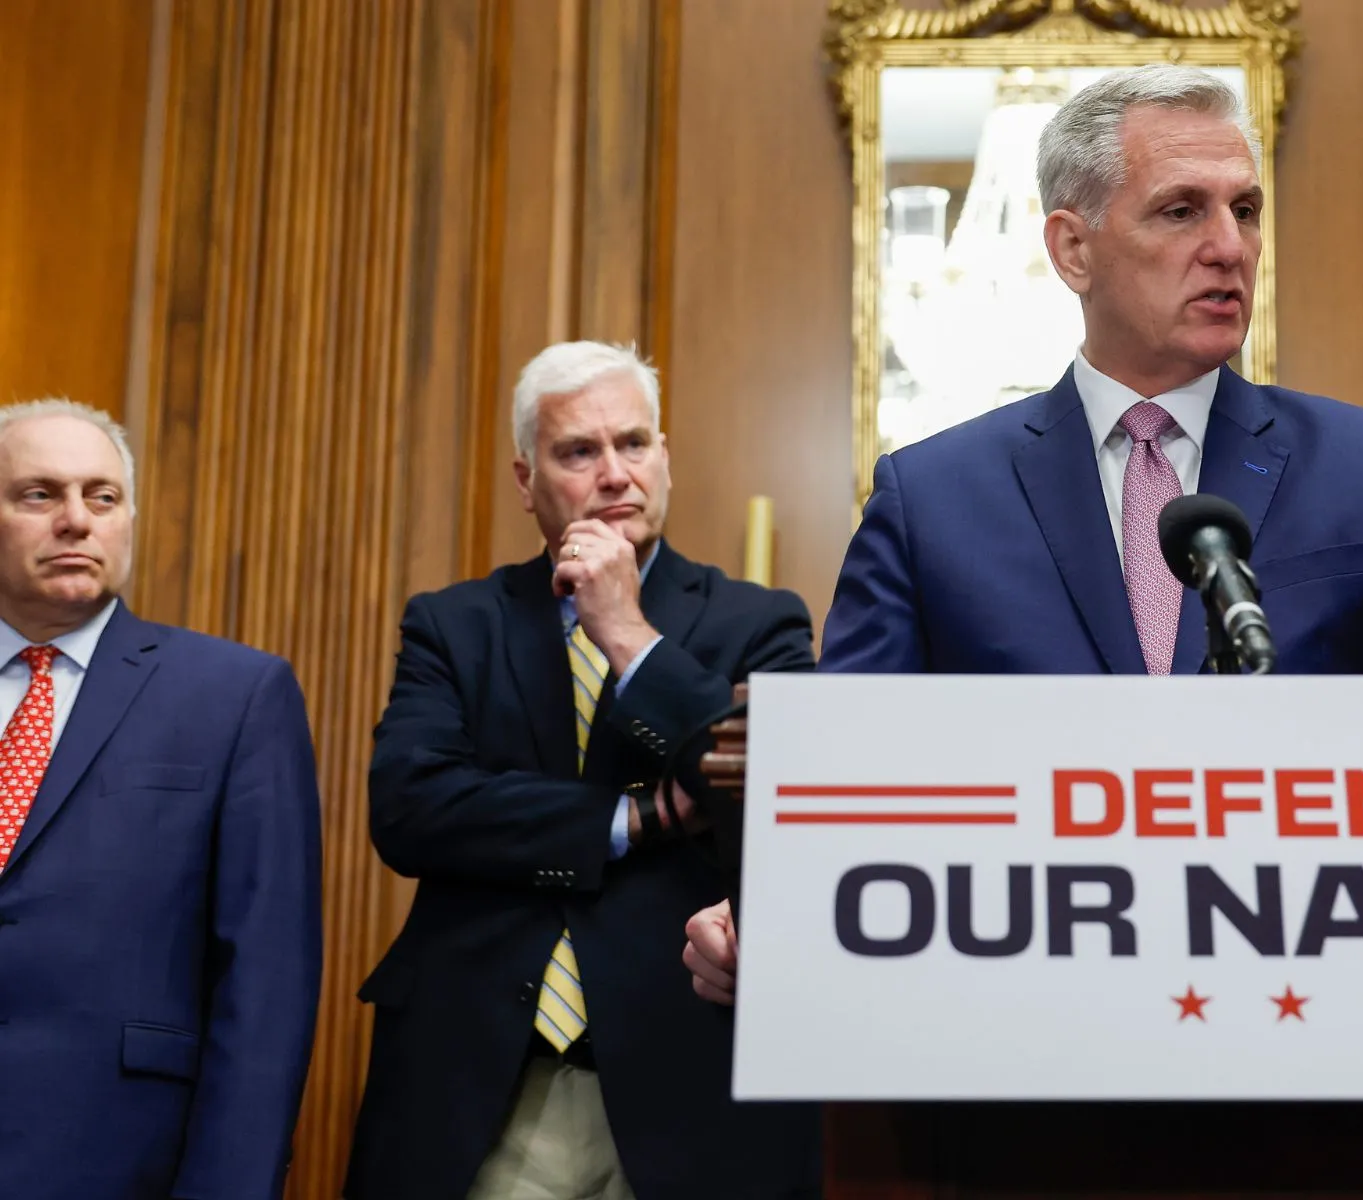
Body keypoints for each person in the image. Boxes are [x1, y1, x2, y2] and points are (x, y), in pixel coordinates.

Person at [681, 64, 1363, 1001]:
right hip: (1024, 1028)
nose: (1230, 245)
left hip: (1315, 1012)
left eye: (1246, 209)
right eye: (1181, 210)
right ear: (1072, 250)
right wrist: (777, 911)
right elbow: (858, 771)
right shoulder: (933, 492)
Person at [344, 340, 821, 1200]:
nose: (615, 475)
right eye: (579, 452)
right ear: (527, 481)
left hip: (687, 1073)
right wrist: (631, 818)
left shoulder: (761, 622)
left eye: (634, 444)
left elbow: (783, 794)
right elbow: (412, 807)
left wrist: (629, 637)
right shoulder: (455, 625)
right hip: (482, 1078)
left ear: (664, 459)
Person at [0, 400, 322, 1198]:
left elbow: (267, 982)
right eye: (38, 495)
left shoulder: (234, 695)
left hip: (115, 1163)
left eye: (102, 497)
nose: (76, 520)